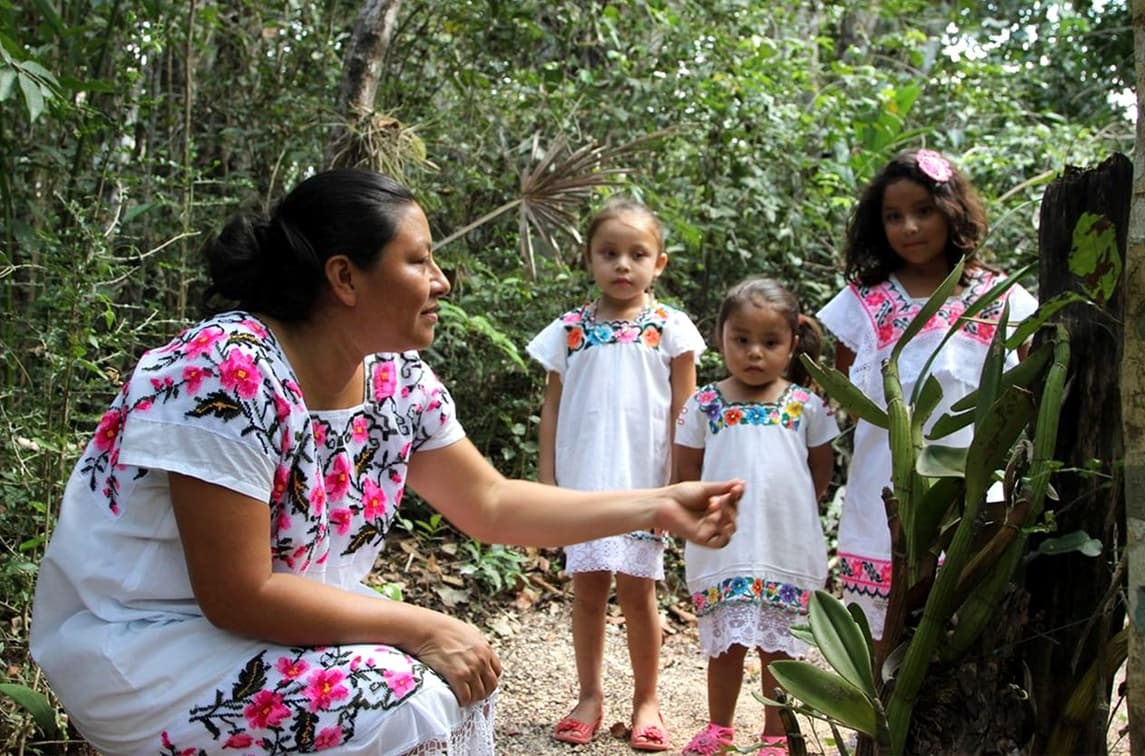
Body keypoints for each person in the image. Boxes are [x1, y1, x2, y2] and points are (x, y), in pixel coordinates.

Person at [29, 169, 743, 756]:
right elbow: (237, 593)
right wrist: (420, 625)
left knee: (462, 681)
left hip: (267, 630)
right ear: (345, 277)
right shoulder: (222, 370)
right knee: (408, 696)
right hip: (155, 645)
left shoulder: (396, 380)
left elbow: (491, 503)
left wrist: (657, 504)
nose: (442, 281)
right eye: (419, 260)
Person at [816, 148, 1037, 641]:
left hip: (982, 493)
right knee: (885, 636)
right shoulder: (863, 301)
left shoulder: (1000, 296)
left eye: (923, 211)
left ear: (952, 211)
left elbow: (1028, 386)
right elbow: (848, 393)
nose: (910, 227)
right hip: (886, 491)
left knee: (971, 631)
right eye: (894, 216)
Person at [526, 198, 705, 751]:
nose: (623, 265)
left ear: (659, 263)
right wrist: (547, 479)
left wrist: (682, 483)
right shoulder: (569, 330)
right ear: (589, 259)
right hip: (583, 481)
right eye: (609, 253)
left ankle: (647, 700)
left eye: (637, 254)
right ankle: (589, 696)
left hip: (644, 480)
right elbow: (553, 407)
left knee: (638, 592)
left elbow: (686, 409)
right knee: (587, 591)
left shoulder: (670, 328)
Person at [673, 278, 837, 756]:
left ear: (792, 343)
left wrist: (792, 508)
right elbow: (687, 472)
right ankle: (719, 729)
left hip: (786, 543)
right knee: (726, 644)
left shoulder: (806, 405)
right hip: (725, 544)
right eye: (741, 339)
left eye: (770, 342)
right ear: (720, 335)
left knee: (779, 647)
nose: (754, 353)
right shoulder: (705, 404)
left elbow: (820, 472)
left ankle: (776, 733)